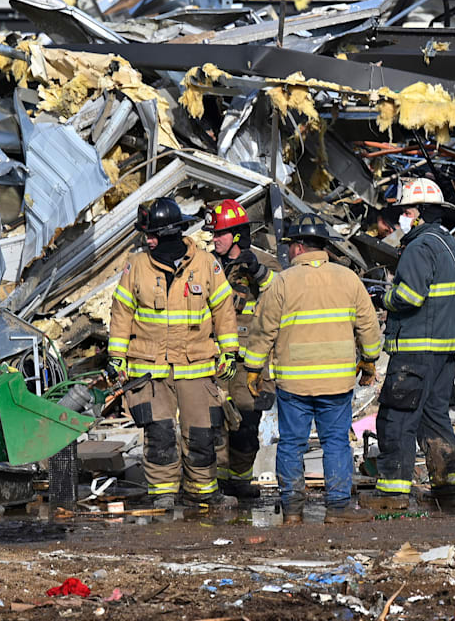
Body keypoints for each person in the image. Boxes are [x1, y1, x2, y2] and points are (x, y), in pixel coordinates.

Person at [242, 214, 381, 522]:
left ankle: (292, 510)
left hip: (294, 384)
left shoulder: (282, 282)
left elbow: (263, 330)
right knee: (336, 443)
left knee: (291, 444)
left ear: (299, 247)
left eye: (291, 245)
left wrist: (253, 369)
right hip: (336, 383)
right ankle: (338, 508)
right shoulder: (348, 279)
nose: (289, 251)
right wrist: (369, 362)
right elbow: (368, 327)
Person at [108, 198, 241, 510]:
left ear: (168, 232)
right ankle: (163, 495)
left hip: (196, 367)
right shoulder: (136, 265)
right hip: (149, 369)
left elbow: (224, 311)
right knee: (160, 435)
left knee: (202, 434)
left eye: (152, 234)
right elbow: (121, 312)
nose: (147, 240)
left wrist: (230, 352)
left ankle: (203, 491)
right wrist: (117, 356)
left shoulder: (207, 264)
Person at [367, 177, 455, 511]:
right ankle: (449, 489)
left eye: (407, 210)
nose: (403, 217)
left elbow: (409, 295)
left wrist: (383, 298)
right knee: (435, 417)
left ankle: (392, 495)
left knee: (396, 419)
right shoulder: (451, 246)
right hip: (444, 352)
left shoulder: (419, 246)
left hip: (414, 350)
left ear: (422, 213)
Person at [208, 198, 276, 500]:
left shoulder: (263, 262)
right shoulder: (206, 264)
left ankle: (239, 480)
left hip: (251, 360)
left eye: (219, 234)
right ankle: (216, 484)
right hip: (213, 357)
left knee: (246, 426)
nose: (214, 240)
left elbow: (280, 292)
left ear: (236, 235)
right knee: (212, 425)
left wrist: (258, 272)